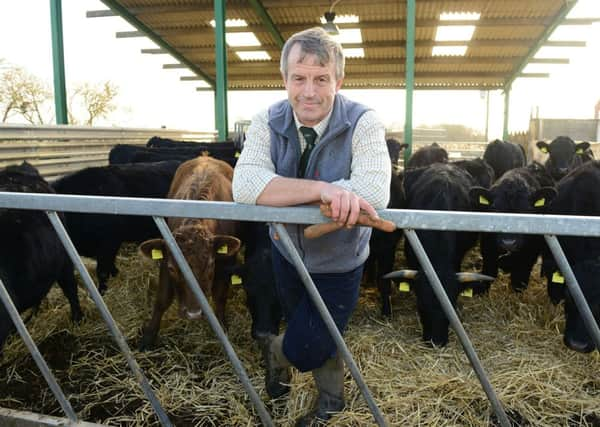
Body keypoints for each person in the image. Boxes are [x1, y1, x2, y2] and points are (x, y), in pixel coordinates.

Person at [232, 27, 391, 425]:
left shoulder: (363, 122)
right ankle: (331, 402)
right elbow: (246, 185)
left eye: (321, 79)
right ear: (284, 78)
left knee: (310, 343)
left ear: (339, 80)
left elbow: (374, 190)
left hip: (341, 260)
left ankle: (278, 352)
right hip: (286, 253)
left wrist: (286, 192)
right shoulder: (268, 119)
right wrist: (327, 190)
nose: (309, 92)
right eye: (298, 78)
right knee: (318, 333)